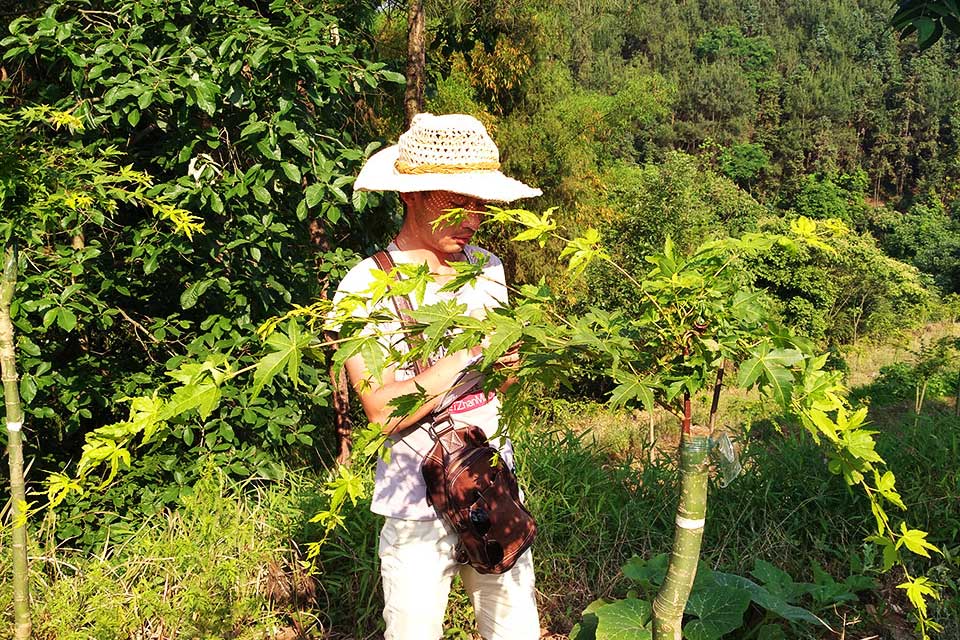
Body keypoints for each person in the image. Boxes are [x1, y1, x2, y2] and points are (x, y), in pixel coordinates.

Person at [331, 113, 543, 640]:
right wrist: (472, 353)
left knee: (515, 631)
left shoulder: (488, 268)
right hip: (414, 509)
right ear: (413, 195)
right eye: (456, 202)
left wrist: (508, 367)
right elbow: (381, 410)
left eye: (481, 205)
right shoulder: (365, 285)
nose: (472, 218)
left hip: (492, 489)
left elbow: (500, 389)